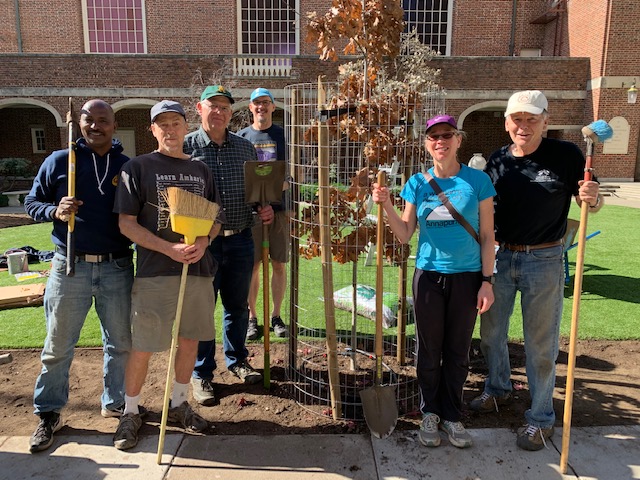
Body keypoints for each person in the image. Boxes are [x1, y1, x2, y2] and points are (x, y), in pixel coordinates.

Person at [470, 90, 603, 451]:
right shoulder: (498, 160)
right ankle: (497, 389)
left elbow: (590, 199)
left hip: (544, 261)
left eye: (532, 119)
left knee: (541, 346)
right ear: (507, 123)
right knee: (491, 335)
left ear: (546, 120)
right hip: (500, 258)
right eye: (517, 119)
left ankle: (541, 418)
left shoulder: (567, 155)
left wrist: (593, 196)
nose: (523, 126)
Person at [372, 114, 496, 449]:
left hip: (467, 278)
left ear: (458, 140)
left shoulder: (478, 182)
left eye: (446, 136)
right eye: (433, 138)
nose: (440, 142)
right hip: (428, 277)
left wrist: (487, 280)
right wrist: (386, 207)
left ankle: (452, 417)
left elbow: (487, 235)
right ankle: (430, 414)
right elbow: (404, 234)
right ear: (427, 144)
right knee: (429, 351)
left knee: (457, 352)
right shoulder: (417, 183)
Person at [112, 100, 223, 450]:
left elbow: (215, 220)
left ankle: (177, 404)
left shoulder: (201, 170)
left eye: (176, 122)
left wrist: (204, 242)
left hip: (198, 270)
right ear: (153, 130)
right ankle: (130, 412)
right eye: (163, 124)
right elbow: (126, 224)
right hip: (155, 271)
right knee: (144, 345)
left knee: (190, 339)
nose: (170, 129)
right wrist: (167, 248)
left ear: (185, 126)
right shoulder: (137, 167)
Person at [24, 99, 134, 453]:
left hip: (117, 266)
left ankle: (114, 401)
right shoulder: (60, 161)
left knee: (120, 344)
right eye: (90, 120)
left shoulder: (126, 166)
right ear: (79, 123)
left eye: (103, 121)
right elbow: (31, 202)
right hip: (69, 265)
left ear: (113, 126)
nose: (96, 126)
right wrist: (55, 210)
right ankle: (49, 412)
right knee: (58, 347)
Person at [184, 85, 274, 406]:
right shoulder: (186, 147)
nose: (220, 111)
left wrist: (263, 207)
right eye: (213, 105)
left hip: (241, 241)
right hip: (202, 246)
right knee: (202, 310)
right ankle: (202, 373)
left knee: (237, 307)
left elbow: (258, 192)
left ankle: (237, 361)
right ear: (200, 108)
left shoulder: (245, 148)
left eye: (225, 106)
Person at [236, 87, 289, 340]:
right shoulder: (242, 137)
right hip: (252, 212)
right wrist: (258, 201)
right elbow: (241, 177)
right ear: (250, 107)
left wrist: (278, 188)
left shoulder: (284, 136)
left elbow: (292, 175)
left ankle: (276, 316)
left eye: (266, 103)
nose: (261, 107)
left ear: (273, 107)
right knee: (252, 265)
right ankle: (252, 318)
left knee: (278, 263)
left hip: (280, 210)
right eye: (256, 103)